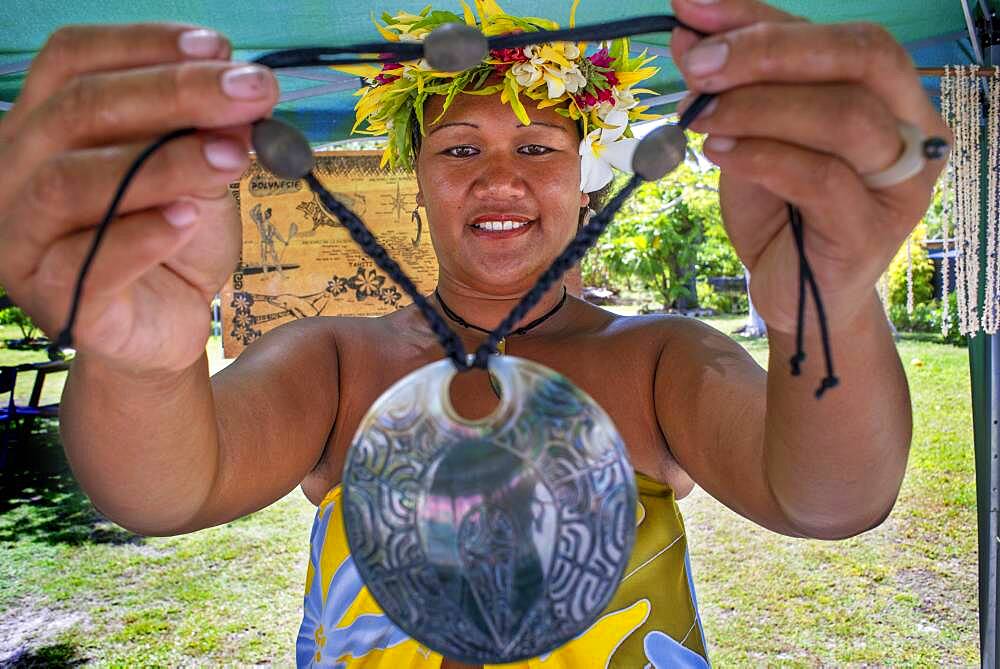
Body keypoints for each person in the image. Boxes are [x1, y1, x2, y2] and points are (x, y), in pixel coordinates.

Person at [0, 0, 949, 666]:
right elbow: (162, 491)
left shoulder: (657, 358)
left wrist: (821, 306)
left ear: (583, 177)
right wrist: (143, 357)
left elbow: (829, 498)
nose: (501, 179)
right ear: (418, 178)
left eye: (538, 149)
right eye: (462, 150)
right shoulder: (337, 361)